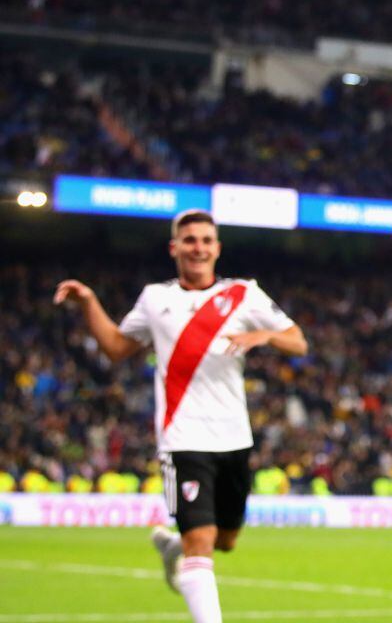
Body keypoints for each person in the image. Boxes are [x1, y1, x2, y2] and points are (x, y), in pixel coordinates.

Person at [54, 209, 308, 623]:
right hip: (183, 438)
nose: (198, 247)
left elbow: (298, 342)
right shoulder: (156, 298)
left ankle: (174, 548)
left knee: (224, 540)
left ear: (217, 248)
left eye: (206, 240)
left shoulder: (245, 294)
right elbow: (117, 348)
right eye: (189, 240)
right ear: (174, 248)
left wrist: (265, 335)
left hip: (235, 439)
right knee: (202, 542)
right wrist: (89, 303)